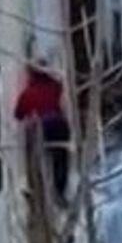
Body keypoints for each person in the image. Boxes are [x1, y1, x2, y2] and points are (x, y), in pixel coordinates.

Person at [13, 63, 70, 202]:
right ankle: (59, 191)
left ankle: (36, 188)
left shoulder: (29, 92)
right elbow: (59, 87)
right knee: (61, 158)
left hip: (45, 126)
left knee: (39, 156)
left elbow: (18, 114)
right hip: (61, 124)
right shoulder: (54, 86)